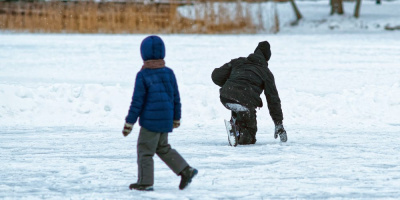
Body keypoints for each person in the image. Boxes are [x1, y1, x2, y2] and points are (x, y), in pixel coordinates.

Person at [122, 35, 198, 191]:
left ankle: (145, 182)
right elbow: (176, 97)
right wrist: (176, 118)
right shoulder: (168, 73)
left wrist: (129, 122)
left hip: (151, 122)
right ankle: (186, 170)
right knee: (162, 147)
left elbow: (137, 102)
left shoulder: (143, 75)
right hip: (165, 120)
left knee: (145, 150)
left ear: (143, 54)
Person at [211, 41, 287, 145]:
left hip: (225, 96)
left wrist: (230, 85)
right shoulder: (266, 73)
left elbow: (216, 75)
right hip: (246, 101)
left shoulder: (238, 61)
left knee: (239, 105)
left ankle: (235, 125)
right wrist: (278, 123)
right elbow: (273, 100)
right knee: (250, 135)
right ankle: (238, 132)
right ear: (267, 58)